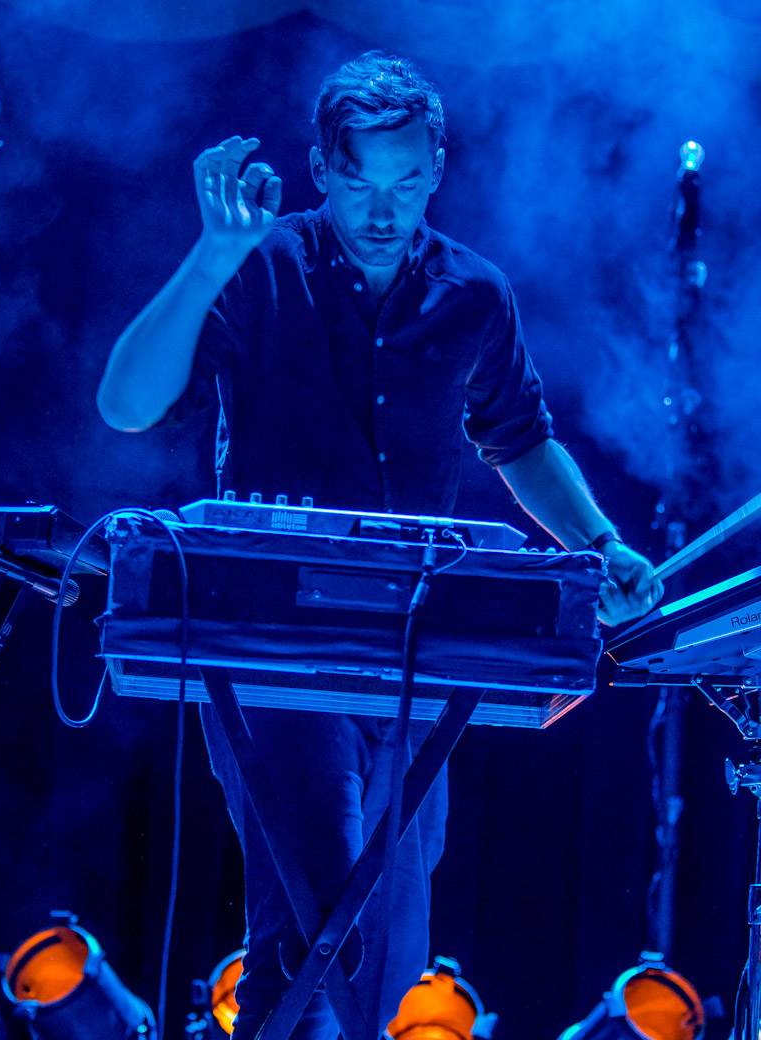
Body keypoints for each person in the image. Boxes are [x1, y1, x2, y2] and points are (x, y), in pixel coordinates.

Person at [97, 51, 663, 1040]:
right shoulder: (260, 264)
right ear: (321, 168)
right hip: (275, 654)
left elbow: (519, 438)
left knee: (393, 945)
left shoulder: (474, 294)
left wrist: (601, 541)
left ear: (436, 168)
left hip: (413, 654)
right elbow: (125, 403)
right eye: (359, 182)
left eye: (405, 182)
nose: (382, 210)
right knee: (323, 920)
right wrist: (212, 256)